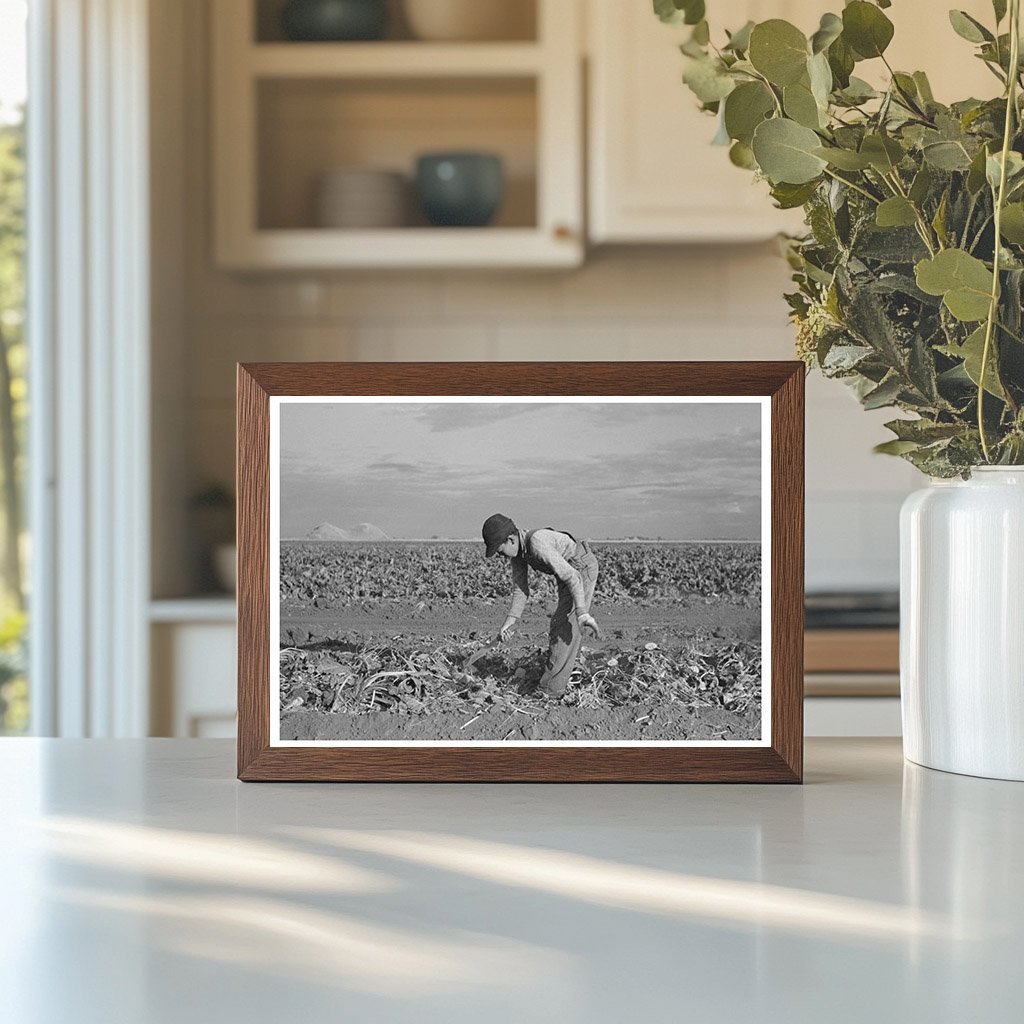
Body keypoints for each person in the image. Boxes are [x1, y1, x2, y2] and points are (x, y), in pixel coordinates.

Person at [481, 513, 600, 697]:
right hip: (568, 572)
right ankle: (570, 672)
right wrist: (509, 622)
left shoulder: (536, 542)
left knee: (563, 625)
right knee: (564, 624)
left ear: (511, 539)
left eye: (500, 549)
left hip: (580, 568)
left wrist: (582, 612)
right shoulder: (518, 553)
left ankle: (550, 691)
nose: (500, 555)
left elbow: (573, 576)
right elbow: (521, 590)